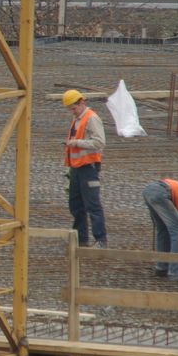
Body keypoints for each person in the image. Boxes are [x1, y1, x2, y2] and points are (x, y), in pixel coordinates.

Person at [62, 89, 107, 248]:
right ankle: (80, 238)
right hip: (76, 168)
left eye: (73, 108)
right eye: (70, 109)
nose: (72, 112)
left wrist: (77, 143)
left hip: (89, 167)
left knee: (92, 205)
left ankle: (100, 240)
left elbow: (99, 143)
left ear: (82, 102)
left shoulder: (91, 118)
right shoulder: (77, 119)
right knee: (76, 204)